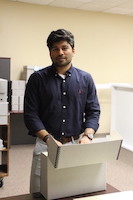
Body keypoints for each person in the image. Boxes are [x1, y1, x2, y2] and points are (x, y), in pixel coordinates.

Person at [24, 28, 100, 196]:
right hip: (46, 144)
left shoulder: (85, 79)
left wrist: (88, 136)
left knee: (73, 188)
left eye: (64, 47)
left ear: (73, 50)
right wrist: (48, 139)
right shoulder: (37, 79)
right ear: (50, 53)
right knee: (40, 192)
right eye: (55, 49)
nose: (60, 52)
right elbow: (30, 114)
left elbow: (93, 111)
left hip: (76, 145)